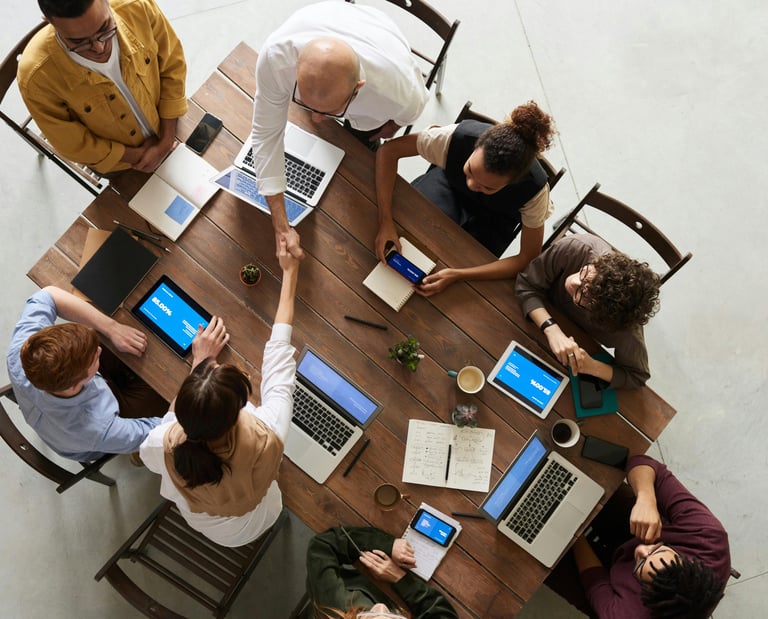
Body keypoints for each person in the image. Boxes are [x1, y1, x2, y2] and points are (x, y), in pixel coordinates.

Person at [140, 238, 300, 546]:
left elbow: (158, 443)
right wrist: (291, 272)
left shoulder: (163, 442)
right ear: (237, 412)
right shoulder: (268, 433)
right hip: (255, 520)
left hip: (210, 526)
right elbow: (279, 357)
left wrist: (199, 363)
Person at [251, 1, 428, 260]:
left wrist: (390, 127)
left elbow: (406, 116)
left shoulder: (398, 94)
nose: (316, 119)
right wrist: (281, 224)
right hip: (329, 18)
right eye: (305, 103)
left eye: (329, 111)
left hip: (380, 40)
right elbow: (266, 135)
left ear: (358, 88)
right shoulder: (275, 58)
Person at [375, 101, 556, 297]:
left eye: (488, 186)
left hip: (495, 220)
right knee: (409, 230)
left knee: (459, 276)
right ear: (476, 146)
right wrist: (385, 221)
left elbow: (527, 257)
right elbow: (388, 151)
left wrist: (458, 275)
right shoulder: (454, 138)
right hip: (447, 187)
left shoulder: (535, 191)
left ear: (512, 182)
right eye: (470, 170)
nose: (471, 185)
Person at [545, 455, 730, 618]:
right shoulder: (708, 537)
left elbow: (594, 579)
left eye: (641, 563)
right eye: (657, 548)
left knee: (543, 557)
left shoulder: (627, 614)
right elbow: (642, 462)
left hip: (608, 587)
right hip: (634, 531)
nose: (641, 549)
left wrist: (573, 530)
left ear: (645, 594)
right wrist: (646, 499)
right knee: (593, 477)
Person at [18, 0, 187, 174]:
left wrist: (165, 141)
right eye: (79, 42)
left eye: (105, 28)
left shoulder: (137, 6)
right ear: (48, 21)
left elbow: (172, 64)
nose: (99, 47)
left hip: (170, 125)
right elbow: (72, 143)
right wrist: (139, 156)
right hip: (124, 166)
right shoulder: (36, 77)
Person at [6, 286, 167, 462]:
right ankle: (137, 455)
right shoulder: (97, 429)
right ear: (76, 384)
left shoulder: (24, 352)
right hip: (98, 434)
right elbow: (163, 432)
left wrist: (112, 328)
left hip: (62, 414)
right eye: (95, 357)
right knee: (171, 393)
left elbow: (49, 294)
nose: (99, 350)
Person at [514, 233, 661, 388]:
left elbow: (637, 376)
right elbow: (526, 284)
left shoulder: (625, 329)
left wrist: (592, 366)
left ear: (600, 314)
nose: (573, 281)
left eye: (583, 294)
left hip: (570, 356)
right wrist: (551, 329)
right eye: (585, 274)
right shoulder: (577, 247)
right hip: (528, 319)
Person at [306, 526, 459, 618]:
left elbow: (322, 547)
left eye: (369, 617)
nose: (380, 607)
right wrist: (400, 578)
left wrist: (386, 545)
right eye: (394, 618)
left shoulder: (334, 605)